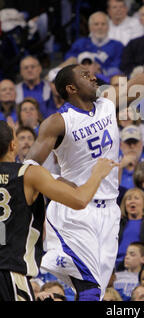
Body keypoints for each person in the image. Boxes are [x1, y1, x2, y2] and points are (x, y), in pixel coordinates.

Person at [24, 0, 144, 301]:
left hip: (107, 210)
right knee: (86, 287)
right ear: (72, 87)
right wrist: (54, 187)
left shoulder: (107, 102)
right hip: (76, 211)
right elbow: (28, 168)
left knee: (97, 290)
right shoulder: (57, 122)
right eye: (86, 75)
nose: (94, 76)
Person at [0, 120, 118, 301]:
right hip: (11, 274)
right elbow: (79, 200)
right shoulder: (29, 174)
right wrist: (98, 174)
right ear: (13, 145)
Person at [65, 11, 124, 77]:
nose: (100, 27)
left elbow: (118, 66)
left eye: (103, 24)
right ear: (90, 27)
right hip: (82, 77)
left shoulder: (117, 46)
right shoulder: (80, 43)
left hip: (108, 80)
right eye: (96, 24)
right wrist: (85, 67)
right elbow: (69, 60)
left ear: (108, 27)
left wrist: (100, 69)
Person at [116, 187, 144, 270]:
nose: (132, 201)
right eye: (129, 199)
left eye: (136, 198)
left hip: (143, 267)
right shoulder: (117, 223)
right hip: (117, 266)